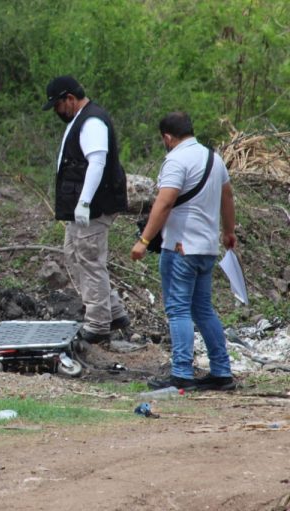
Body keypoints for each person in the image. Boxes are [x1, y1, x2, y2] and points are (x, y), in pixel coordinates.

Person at [131, 112, 237, 391]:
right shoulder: (214, 159)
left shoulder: (176, 160)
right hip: (206, 248)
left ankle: (181, 373)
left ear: (168, 137)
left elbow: (164, 203)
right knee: (203, 310)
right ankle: (222, 371)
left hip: (180, 248)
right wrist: (229, 231)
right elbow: (227, 196)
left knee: (178, 310)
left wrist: (144, 240)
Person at [42, 76, 130, 343]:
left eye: (57, 105)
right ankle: (113, 311)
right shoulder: (80, 119)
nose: (57, 112)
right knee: (73, 255)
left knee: (90, 260)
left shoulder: (91, 121)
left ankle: (97, 323)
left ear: (69, 99)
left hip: (93, 206)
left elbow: (97, 162)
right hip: (81, 208)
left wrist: (85, 202)